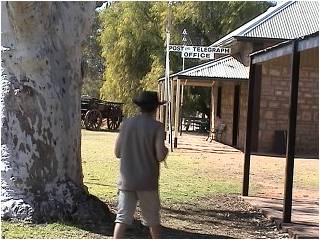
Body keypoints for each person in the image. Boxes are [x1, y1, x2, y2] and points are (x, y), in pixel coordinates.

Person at [113, 91, 168, 239]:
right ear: (155, 108)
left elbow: (117, 152)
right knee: (153, 220)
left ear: (139, 107)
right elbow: (160, 155)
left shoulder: (126, 124)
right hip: (147, 181)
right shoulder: (157, 127)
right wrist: (166, 150)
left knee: (122, 218)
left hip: (127, 180)